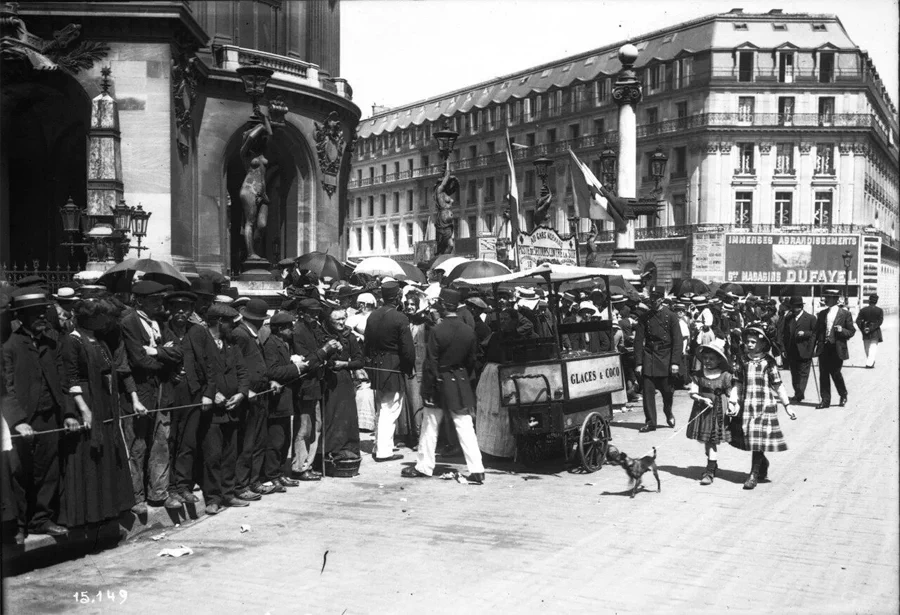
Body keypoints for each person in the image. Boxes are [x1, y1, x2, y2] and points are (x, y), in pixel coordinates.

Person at [58, 298, 137, 527]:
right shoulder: (72, 341)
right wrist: (84, 409)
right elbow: (70, 378)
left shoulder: (99, 339)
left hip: (103, 399)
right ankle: (90, 513)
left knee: (107, 455)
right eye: (101, 316)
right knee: (89, 457)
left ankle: (108, 508)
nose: (105, 320)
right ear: (90, 318)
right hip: (88, 400)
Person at [2, 290, 68, 538]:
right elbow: (4, 388)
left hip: (49, 417)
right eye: (34, 313)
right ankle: (19, 524)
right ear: (21, 317)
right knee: (19, 472)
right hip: (22, 421)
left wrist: (69, 413)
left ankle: (41, 519)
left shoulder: (52, 343)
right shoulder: (10, 346)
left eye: (43, 311)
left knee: (48, 470)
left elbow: (63, 381)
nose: (41, 316)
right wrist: (17, 420)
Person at [402, 288, 485, 484]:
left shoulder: (437, 330)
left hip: (439, 382)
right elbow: (472, 360)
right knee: (465, 426)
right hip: (460, 379)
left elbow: (431, 362)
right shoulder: (468, 331)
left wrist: (428, 388)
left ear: (442, 305)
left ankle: (424, 465)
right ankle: (477, 468)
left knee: (430, 426)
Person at [120, 280, 183, 514]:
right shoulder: (129, 323)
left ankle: (159, 492)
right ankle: (136, 496)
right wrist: (165, 363)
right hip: (140, 391)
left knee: (161, 442)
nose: (160, 304)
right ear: (140, 301)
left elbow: (178, 351)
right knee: (137, 445)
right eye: (154, 300)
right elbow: (137, 360)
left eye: (160, 299)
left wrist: (155, 351)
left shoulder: (161, 323)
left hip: (161, 391)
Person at [164, 290, 217, 509]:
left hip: (194, 392)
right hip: (169, 394)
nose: (181, 313)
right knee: (169, 440)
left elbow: (213, 364)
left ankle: (183, 486)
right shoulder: (162, 330)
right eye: (176, 308)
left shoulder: (198, 332)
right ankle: (168, 487)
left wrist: (208, 394)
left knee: (188, 441)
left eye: (185, 309)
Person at [199, 303, 249, 514]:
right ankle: (213, 498)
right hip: (213, 412)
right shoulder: (202, 343)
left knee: (230, 455)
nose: (233, 327)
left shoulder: (232, 344)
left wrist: (241, 394)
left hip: (232, 409)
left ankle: (228, 494)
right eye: (230, 322)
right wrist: (212, 395)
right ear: (220, 322)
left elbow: (242, 372)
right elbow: (199, 373)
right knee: (213, 456)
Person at [732, 323, 796, 490]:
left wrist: (787, 405)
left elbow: (777, 384)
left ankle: (752, 475)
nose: (749, 345)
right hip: (747, 404)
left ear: (762, 344)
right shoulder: (742, 360)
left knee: (757, 439)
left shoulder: (769, 362)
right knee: (752, 439)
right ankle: (763, 463)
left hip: (765, 405)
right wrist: (733, 400)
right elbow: (738, 382)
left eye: (753, 342)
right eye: (747, 342)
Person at [364, 281, 415, 462]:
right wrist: (409, 368)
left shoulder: (372, 316)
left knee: (381, 406)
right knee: (390, 408)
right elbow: (407, 349)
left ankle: (380, 445)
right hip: (393, 365)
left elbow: (366, 344)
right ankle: (384, 451)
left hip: (376, 365)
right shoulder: (400, 318)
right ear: (397, 296)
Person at [291, 298, 340, 480]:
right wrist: (325, 350)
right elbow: (306, 362)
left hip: (316, 385)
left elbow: (322, 349)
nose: (314, 317)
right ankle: (299, 466)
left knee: (316, 427)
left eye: (316, 313)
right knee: (304, 428)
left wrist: (332, 346)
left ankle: (307, 464)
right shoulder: (298, 331)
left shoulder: (314, 328)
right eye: (310, 314)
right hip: (305, 386)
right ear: (302, 314)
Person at [232, 299, 275, 501]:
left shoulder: (253, 334)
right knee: (247, 442)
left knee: (259, 440)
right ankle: (241, 485)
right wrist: (245, 389)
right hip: (249, 395)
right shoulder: (240, 334)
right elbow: (235, 365)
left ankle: (254, 480)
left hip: (261, 392)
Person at [261, 311, 307, 491]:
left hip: (287, 399)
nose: (292, 330)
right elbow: (272, 371)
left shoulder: (284, 343)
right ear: (280, 329)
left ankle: (280, 472)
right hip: (277, 401)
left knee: (285, 439)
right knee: (276, 440)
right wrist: (295, 368)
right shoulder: (271, 345)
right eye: (289, 327)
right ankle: (272, 474)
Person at [686, 339, 738, 485]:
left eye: (711, 359)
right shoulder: (698, 375)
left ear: (719, 360)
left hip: (719, 411)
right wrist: (701, 399)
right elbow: (693, 392)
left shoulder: (725, 375)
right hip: (703, 409)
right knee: (707, 440)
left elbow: (732, 391)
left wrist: (732, 404)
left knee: (711, 440)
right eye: (705, 358)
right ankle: (712, 464)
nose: (707, 361)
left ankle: (709, 471)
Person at [633, 287, 684, 432]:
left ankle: (668, 411)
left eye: (655, 300)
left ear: (661, 300)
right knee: (648, 391)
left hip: (666, 357)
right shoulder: (644, 318)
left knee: (668, 392)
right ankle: (651, 422)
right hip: (649, 356)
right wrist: (638, 363)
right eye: (651, 301)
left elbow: (678, 341)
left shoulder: (671, 316)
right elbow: (638, 341)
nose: (652, 303)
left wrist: (675, 362)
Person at [320, 309, 363, 464]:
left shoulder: (349, 336)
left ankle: (346, 450)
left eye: (343, 319)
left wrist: (345, 364)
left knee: (347, 416)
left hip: (344, 380)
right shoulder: (321, 335)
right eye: (336, 320)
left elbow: (359, 361)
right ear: (329, 321)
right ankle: (329, 451)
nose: (341, 323)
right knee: (330, 416)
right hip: (327, 381)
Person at [813, 289, 856, 409]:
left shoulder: (845, 313)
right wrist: (811, 348)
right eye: (825, 297)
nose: (825, 299)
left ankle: (843, 394)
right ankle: (825, 401)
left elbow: (852, 331)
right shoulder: (822, 314)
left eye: (828, 297)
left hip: (837, 348)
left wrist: (842, 331)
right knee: (823, 374)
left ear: (835, 299)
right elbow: (816, 332)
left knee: (836, 373)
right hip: (824, 348)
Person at [239, 111, 274, 260]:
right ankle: (250, 253)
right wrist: (259, 126)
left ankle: (255, 252)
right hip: (249, 190)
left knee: (262, 225)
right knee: (250, 222)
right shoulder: (245, 153)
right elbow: (251, 137)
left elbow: (270, 134)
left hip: (263, 193)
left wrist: (265, 118)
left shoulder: (262, 154)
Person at [780, 296, 816, 404]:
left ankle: (799, 393)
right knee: (794, 373)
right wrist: (783, 349)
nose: (792, 309)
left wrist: (805, 334)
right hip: (791, 351)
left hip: (805, 350)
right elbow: (784, 335)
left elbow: (816, 333)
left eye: (794, 307)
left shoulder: (811, 318)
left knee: (803, 374)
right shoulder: (789, 318)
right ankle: (798, 393)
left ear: (800, 307)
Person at [855, 294, 883, 368]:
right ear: (876, 301)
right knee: (873, 348)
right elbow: (880, 322)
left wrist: (863, 328)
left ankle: (869, 363)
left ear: (869, 300)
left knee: (867, 348)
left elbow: (857, 320)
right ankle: (870, 362)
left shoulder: (863, 310)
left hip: (865, 331)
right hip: (875, 332)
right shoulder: (879, 310)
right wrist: (872, 328)